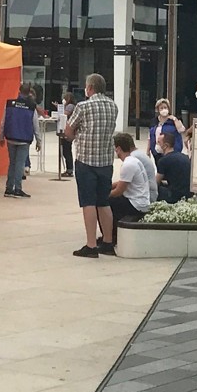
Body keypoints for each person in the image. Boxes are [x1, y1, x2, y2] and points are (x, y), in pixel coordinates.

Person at [63, 73, 118, 258]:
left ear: (90, 88)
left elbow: (68, 130)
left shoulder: (83, 106)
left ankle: (91, 245)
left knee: (88, 202)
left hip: (86, 161)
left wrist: (74, 136)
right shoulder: (113, 106)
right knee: (103, 202)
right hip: (106, 161)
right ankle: (108, 242)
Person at [105, 132, 152, 249]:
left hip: (136, 204)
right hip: (140, 200)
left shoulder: (128, 164)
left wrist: (103, 196)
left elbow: (119, 191)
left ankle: (109, 238)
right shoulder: (133, 160)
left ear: (119, 148)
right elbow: (123, 182)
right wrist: (107, 187)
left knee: (104, 205)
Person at [0, 83, 37, 198]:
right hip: (24, 139)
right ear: (29, 91)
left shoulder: (10, 104)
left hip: (11, 137)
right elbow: (35, 124)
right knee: (20, 164)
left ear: (19, 90)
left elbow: (3, 121)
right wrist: (38, 140)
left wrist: (1, 137)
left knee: (12, 163)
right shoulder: (31, 106)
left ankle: (9, 188)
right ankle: (18, 189)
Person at [155, 130, 191, 204]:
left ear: (165, 146)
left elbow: (156, 182)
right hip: (188, 193)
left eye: (159, 142)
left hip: (174, 195)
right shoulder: (184, 156)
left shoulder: (163, 161)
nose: (157, 145)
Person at [146, 98, 185, 162]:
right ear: (158, 110)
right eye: (161, 108)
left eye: (165, 107)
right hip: (157, 152)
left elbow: (181, 130)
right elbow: (150, 136)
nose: (164, 109)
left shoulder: (174, 120)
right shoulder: (154, 121)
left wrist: (174, 119)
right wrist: (148, 150)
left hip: (172, 152)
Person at [57, 91, 76, 177]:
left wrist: (62, 107)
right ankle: (69, 169)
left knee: (67, 150)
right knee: (65, 150)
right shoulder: (68, 106)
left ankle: (69, 169)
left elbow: (65, 114)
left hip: (68, 131)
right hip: (65, 129)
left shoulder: (70, 106)